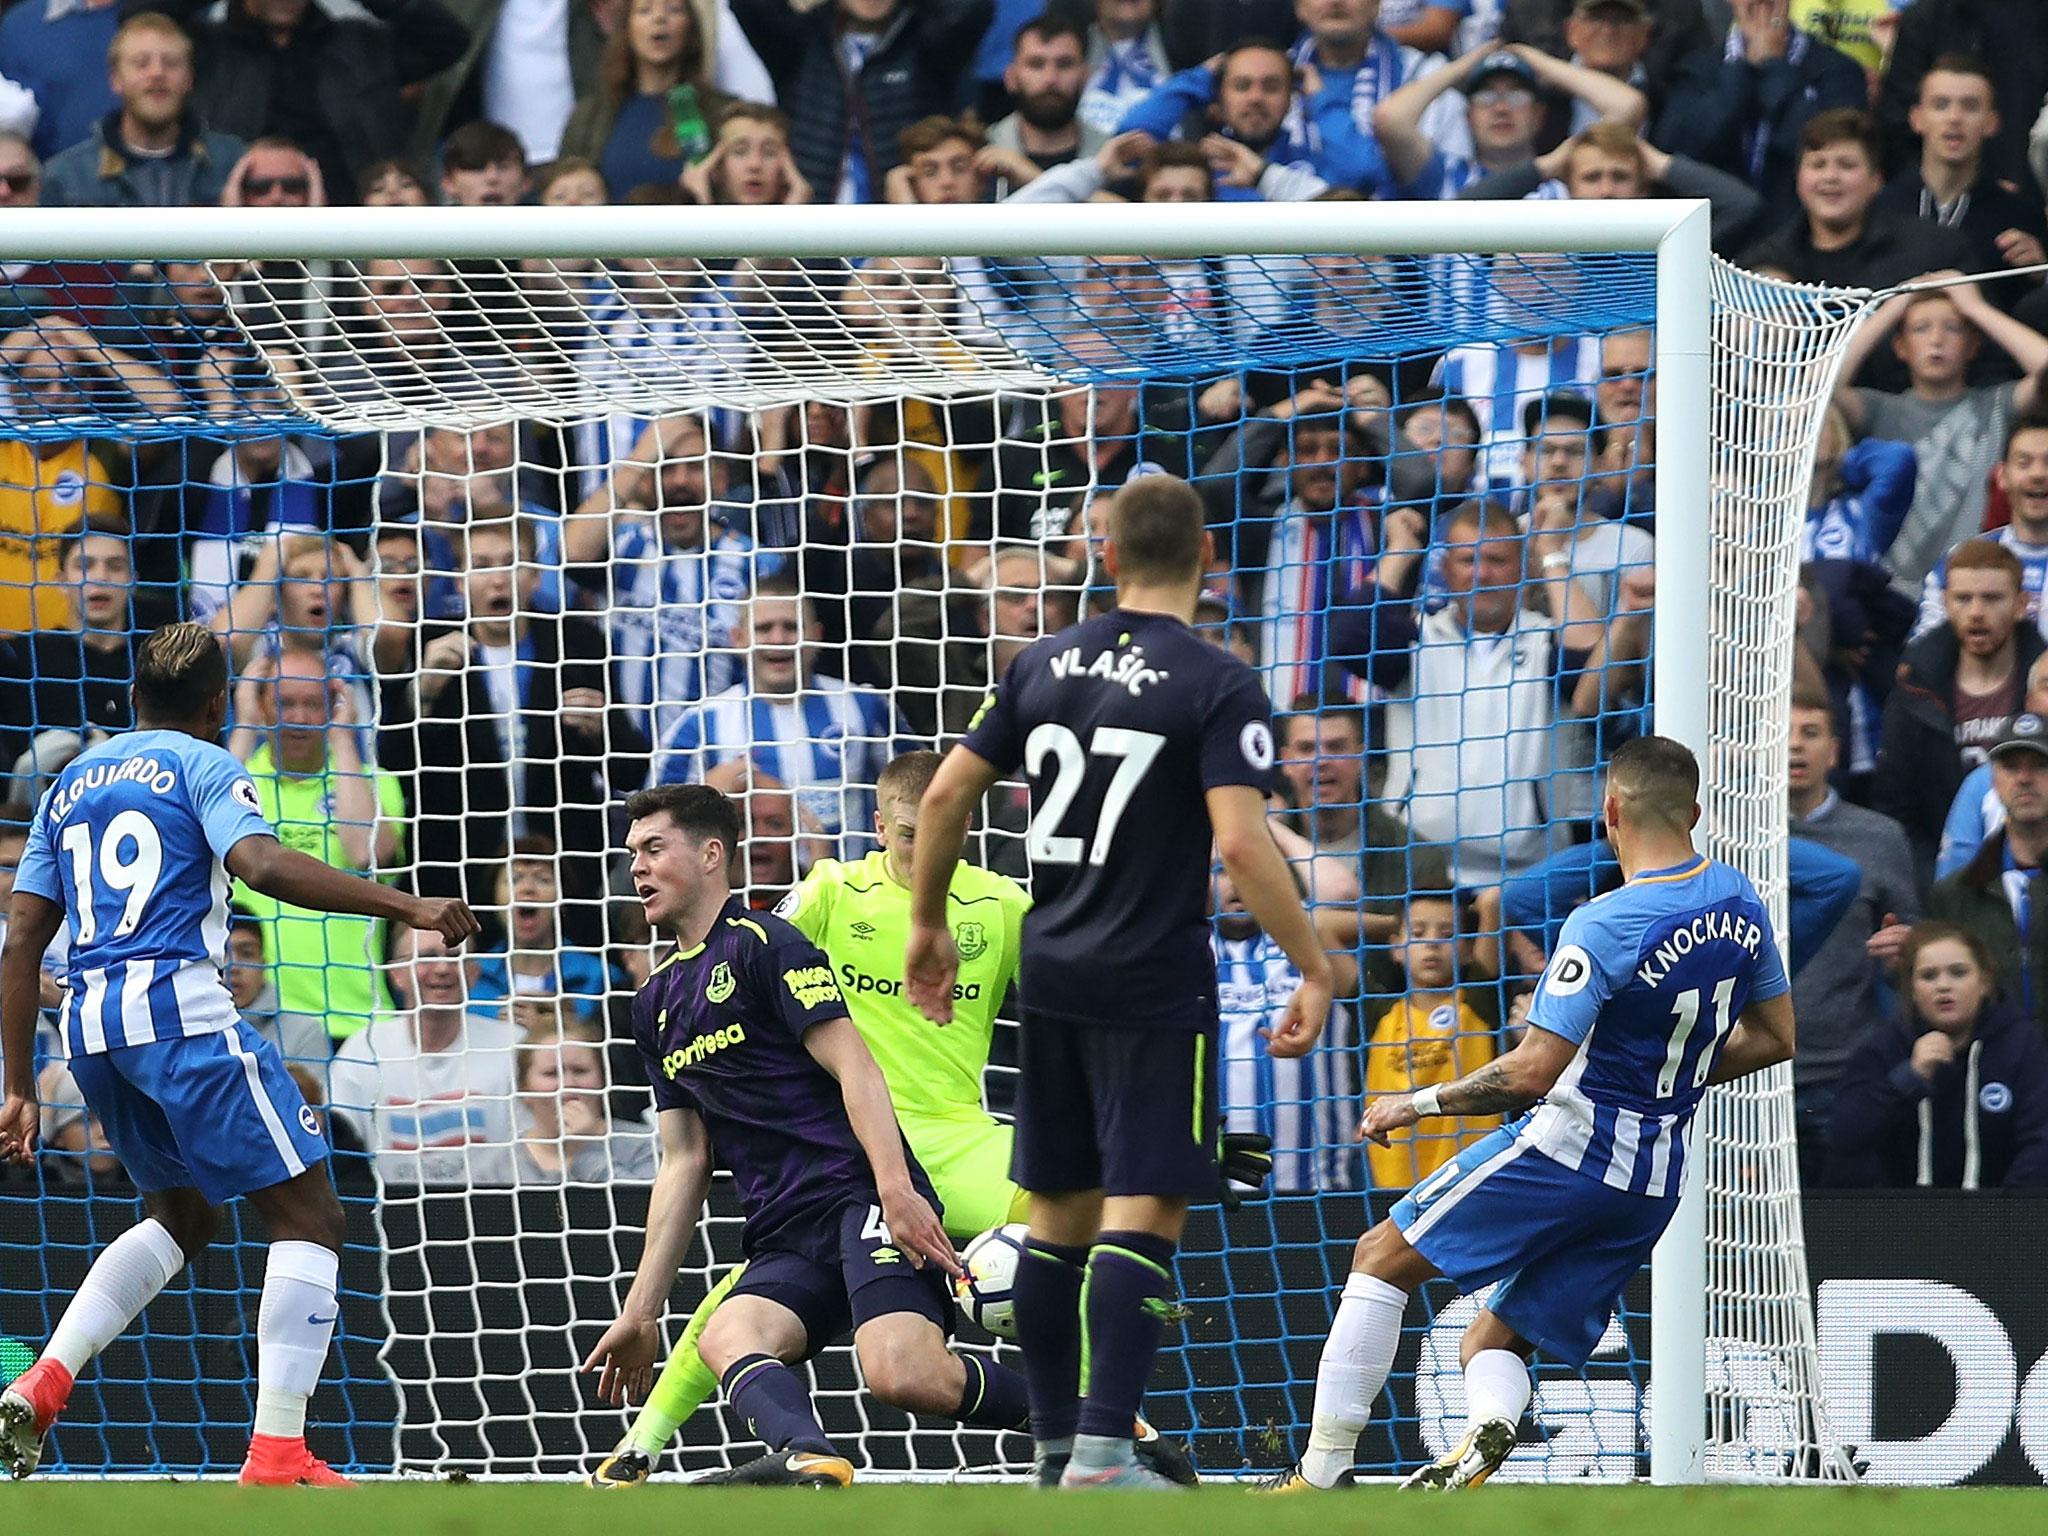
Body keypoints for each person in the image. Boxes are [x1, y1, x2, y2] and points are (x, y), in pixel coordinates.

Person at [904, 472, 1335, 1487]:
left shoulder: (1039, 663)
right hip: (1149, 980)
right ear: (1205, 559)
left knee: (1054, 1221)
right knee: (1142, 1216)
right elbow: (1238, 840)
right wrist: (1313, 964)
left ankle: (1057, 1452)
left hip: (1049, 970)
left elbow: (946, 794)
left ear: (1104, 555)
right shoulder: (1218, 680)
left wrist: (926, 920)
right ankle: (1105, 1449)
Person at [0, 621, 478, 1487]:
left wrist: (18, 1086)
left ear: (133, 698)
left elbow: (22, 938)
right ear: (221, 706)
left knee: (183, 1217)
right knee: (312, 1217)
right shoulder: (206, 764)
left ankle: (46, 1376)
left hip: (93, 1033)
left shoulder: (65, 784)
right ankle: (278, 1451)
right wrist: (403, 906)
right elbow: (259, 863)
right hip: (181, 1016)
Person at [1262, 735, 1795, 1491]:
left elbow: (1531, 1072)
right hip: (1654, 1181)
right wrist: (1658, 1077)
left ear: (1608, 812)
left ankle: (1319, 1475)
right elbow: (1777, 1038)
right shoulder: (1741, 902)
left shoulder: (1606, 922)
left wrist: (1412, 1104)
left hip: (1570, 1150)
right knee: (1492, 1340)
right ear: (1697, 813)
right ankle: (1489, 1429)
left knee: (1380, 1256)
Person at [581, 783, 1038, 1488]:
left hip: (858, 1198)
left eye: (653, 849)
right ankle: (809, 1457)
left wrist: (896, 1189)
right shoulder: (654, 1004)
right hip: (784, 1227)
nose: (637, 868)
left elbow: (856, 1065)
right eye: (632, 854)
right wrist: (641, 1313)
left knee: (901, 1374)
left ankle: (1085, 1420)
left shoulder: (770, 945)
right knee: (729, 1333)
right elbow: (684, 1162)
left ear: (711, 855)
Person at [228, 649, 406, 1043]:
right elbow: (196, 829)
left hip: (359, 1021)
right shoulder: (238, 779)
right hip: (259, 1018)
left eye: (314, 704)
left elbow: (366, 853)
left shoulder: (373, 782)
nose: (300, 718)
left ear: (335, 706)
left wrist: (344, 739)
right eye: (284, 702)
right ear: (261, 705)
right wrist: (244, 725)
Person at [1833, 286, 2048, 603]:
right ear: (1900, 346)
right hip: (1886, 594)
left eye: (1953, 328)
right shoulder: (1880, 409)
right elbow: (1821, 387)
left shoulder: (1998, 404)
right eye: (1920, 329)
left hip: (1972, 590)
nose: (1936, 339)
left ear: (1974, 345)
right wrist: (1894, 305)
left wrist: (1976, 307)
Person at [1784, 684, 1920, 1182]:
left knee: (1848, 1243)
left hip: (1847, 1075)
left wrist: (1902, 953)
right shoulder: (1735, 835)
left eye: (1811, 733)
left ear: (1835, 751)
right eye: (1783, 734)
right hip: (1750, 1079)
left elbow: (1913, 943)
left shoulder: (1880, 837)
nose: (1795, 745)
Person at [1824, 921, 2048, 1190]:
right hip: (1901, 1220)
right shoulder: (1885, 1048)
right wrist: (1909, 1078)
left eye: (1958, 973)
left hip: (2000, 1217)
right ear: (1911, 989)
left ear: (1985, 982)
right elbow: (1847, 1135)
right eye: (1928, 976)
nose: (1943, 986)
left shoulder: (2022, 1045)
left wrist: (2005, 1219)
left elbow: (2039, 1141)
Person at [1873, 539, 2045, 883]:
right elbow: (1896, 810)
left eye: (1992, 598)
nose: (1976, 612)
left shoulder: (2043, 685)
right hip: (1938, 872)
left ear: (2021, 604)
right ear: (1946, 604)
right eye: (1963, 599)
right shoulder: (1913, 686)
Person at [324, 926, 522, 1187]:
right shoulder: (364, 1048)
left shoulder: (514, 1045)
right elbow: (337, 1142)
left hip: (496, 1213)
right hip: (391, 1216)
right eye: (427, 957)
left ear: (473, 973)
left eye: (454, 956)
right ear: (397, 975)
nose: (442, 968)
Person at [1652, 0, 1864, 231]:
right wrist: (1740, 70)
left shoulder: (1839, 71)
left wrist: (1776, 67)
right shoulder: (1696, 70)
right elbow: (1685, 151)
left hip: (1803, 240)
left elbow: (1827, 150)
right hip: (1716, 236)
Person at [1362, 890, 1507, 1191]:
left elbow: (1492, 899)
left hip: (1468, 1182)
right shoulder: (1381, 1013)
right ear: (1396, 947)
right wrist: (1395, 923)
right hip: (1392, 1185)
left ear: (1468, 949)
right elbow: (1320, 927)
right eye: (1417, 933)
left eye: (1447, 933)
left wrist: (1409, 927)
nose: (1431, 942)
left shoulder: (1477, 1003)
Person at [1876, 56, 2048, 302]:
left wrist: (2041, 274)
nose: (1954, 118)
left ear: (1992, 122)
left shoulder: (2020, 217)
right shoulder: (1880, 209)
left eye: (1970, 106)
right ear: (1916, 118)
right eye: (1941, 105)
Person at [38, 12, 243, 208]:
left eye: (171, 63)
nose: (157, 73)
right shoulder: (66, 177)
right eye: (141, 63)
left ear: (189, 79)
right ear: (116, 80)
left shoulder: (233, 163)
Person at [1926, 712, 2048, 1038]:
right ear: (1993, 780)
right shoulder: (1955, 894)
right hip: (1990, 1070)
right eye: (2011, 767)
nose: (2024, 778)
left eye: (2039, 765)